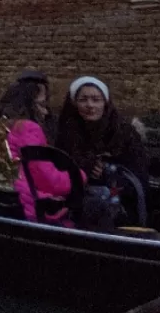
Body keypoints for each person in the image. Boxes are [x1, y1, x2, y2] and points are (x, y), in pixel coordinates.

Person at [55, 76, 149, 228]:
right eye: (83, 100)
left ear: (105, 103)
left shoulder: (125, 134)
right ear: (74, 103)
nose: (90, 105)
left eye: (96, 99)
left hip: (121, 208)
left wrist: (108, 174)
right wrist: (85, 168)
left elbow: (140, 177)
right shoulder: (66, 134)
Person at [0, 78, 77, 224]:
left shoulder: (3, 128)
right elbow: (47, 179)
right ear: (27, 105)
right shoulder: (27, 128)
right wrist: (79, 174)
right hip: (28, 209)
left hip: (7, 202)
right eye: (42, 104)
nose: (46, 111)